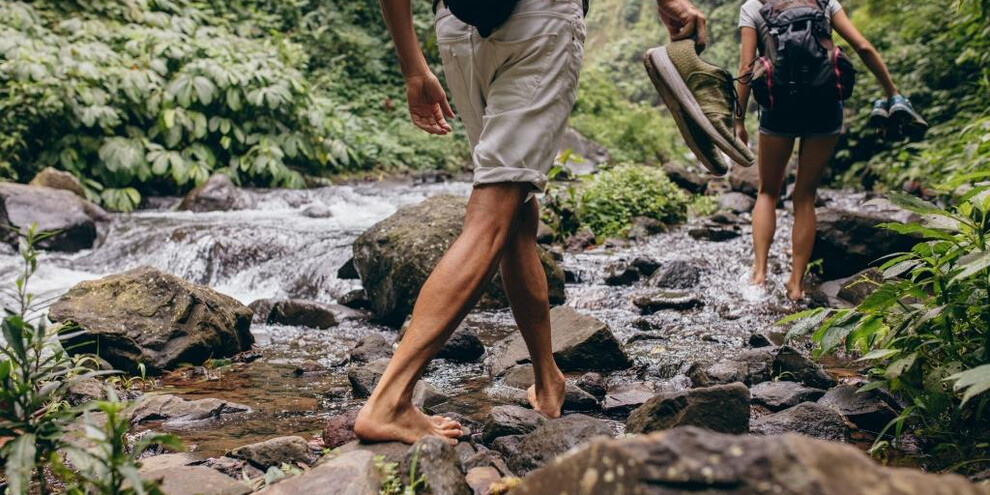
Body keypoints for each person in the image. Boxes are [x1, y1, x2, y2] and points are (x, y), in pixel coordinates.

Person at [354, 0, 709, 445]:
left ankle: (546, 379)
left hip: (458, 27)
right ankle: (390, 400)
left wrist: (412, 67)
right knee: (492, 214)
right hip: (539, 22)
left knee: (514, 208)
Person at [734, 0, 909, 301]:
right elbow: (863, 46)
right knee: (804, 197)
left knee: (767, 193)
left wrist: (738, 121)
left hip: (779, 109)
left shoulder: (754, 6)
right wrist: (892, 94)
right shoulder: (825, 2)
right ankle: (796, 286)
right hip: (825, 106)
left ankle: (759, 275)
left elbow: (746, 68)